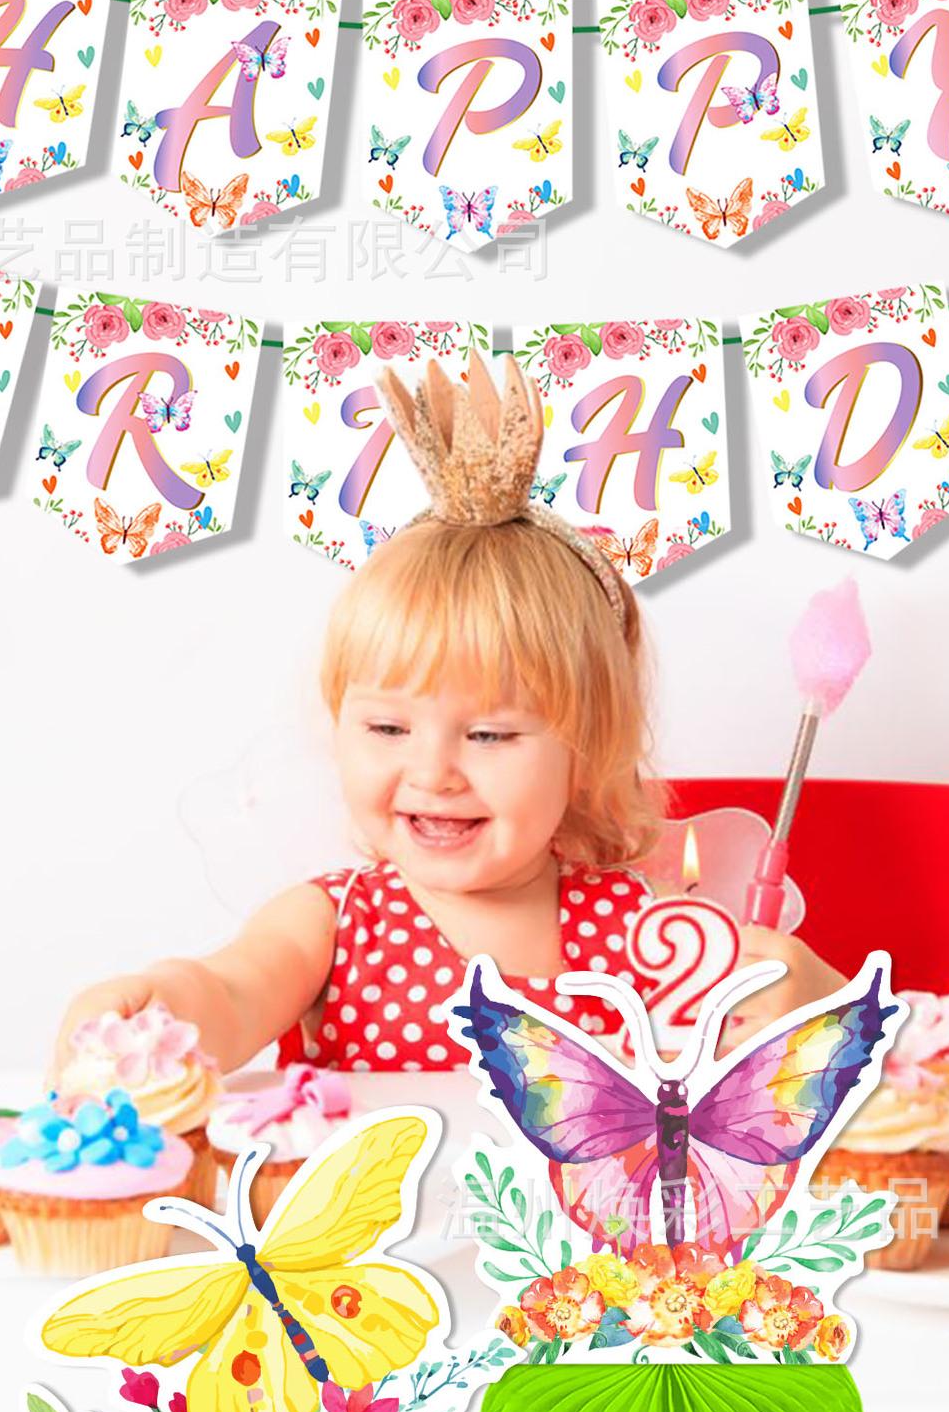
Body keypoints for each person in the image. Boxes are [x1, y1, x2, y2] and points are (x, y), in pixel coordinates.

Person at [52, 353, 841, 1074]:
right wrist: (164, 1007)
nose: (432, 772)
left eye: (490, 734)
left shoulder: (650, 926)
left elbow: (833, 1060)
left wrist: (817, 1005)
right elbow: (229, 993)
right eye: (387, 728)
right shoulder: (331, 922)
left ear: (586, 748)